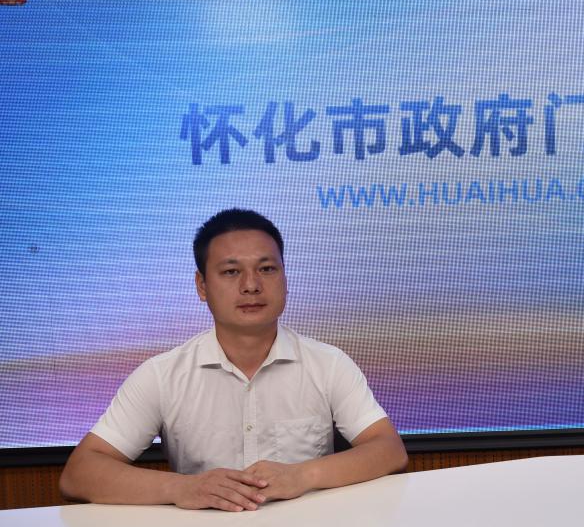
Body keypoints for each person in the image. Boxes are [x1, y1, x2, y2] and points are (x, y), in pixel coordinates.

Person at [60, 209, 407, 511]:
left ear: (286, 279)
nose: (251, 285)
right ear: (201, 286)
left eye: (267, 269)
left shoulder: (328, 364)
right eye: (230, 272)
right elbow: (79, 474)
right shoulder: (162, 375)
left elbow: (389, 450)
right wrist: (184, 488)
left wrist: (302, 476)